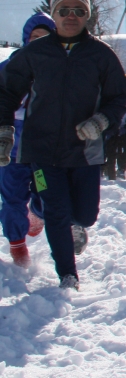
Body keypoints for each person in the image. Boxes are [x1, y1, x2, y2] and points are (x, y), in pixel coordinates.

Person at [0, 0, 126, 288]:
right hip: (41, 150)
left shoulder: (101, 54)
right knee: (57, 211)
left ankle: (58, 220)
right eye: (64, 10)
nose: (71, 16)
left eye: (78, 11)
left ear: (88, 15)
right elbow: (6, 92)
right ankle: (67, 274)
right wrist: (5, 129)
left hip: (84, 149)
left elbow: (118, 97)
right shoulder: (35, 52)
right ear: (54, 13)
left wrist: (102, 121)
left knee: (84, 214)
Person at [0, 13, 56, 267]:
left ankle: (37, 212)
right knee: (12, 199)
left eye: (44, 38)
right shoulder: (8, 67)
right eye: (34, 38)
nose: (38, 43)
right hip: (11, 150)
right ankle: (17, 246)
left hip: (41, 151)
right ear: (26, 39)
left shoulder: (58, 72)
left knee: (46, 195)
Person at [103, 74, 126, 181]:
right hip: (110, 131)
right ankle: (105, 170)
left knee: (123, 147)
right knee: (107, 150)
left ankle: (120, 170)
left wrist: (125, 129)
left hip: (121, 132)